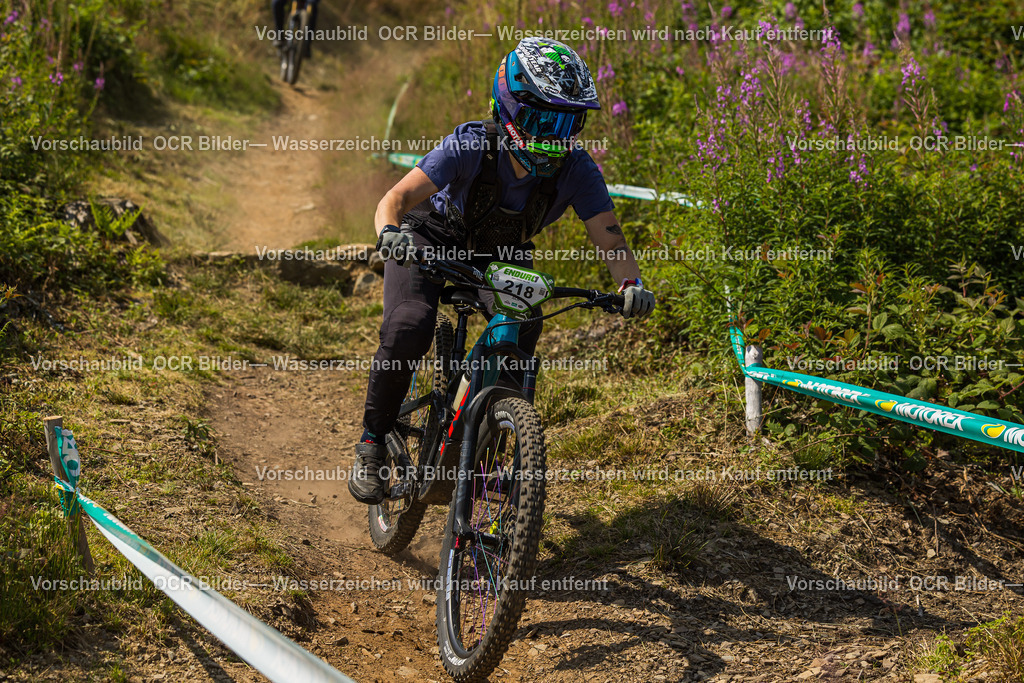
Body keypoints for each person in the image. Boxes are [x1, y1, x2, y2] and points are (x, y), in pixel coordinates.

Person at [348, 37, 655, 505]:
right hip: (430, 239)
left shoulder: (577, 170)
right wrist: (391, 234)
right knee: (410, 324)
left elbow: (611, 240)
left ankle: (487, 440)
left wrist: (631, 285)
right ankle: (371, 444)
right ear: (509, 108)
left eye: (567, 122)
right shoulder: (472, 144)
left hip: (501, 252)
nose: (554, 136)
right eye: (542, 119)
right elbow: (394, 199)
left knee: (523, 322)